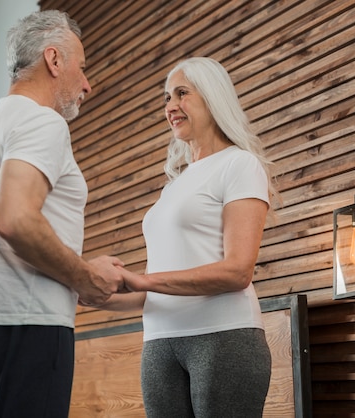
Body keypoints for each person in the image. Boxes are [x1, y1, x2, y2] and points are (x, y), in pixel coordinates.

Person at [0, 10, 126, 418]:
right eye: (82, 68)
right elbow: (15, 219)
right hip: (27, 333)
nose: (87, 84)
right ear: (54, 60)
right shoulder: (43, 122)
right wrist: (86, 279)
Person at [96, 56, 277, 418]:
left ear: (212, 98)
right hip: (159, 343)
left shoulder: (239, 165)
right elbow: (153, 291)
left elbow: (237, 271)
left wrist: (141, 279)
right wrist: (94, 293)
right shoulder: (174, 186)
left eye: (182, 93)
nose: (171, 106)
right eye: (166, 98)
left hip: (223, 337)